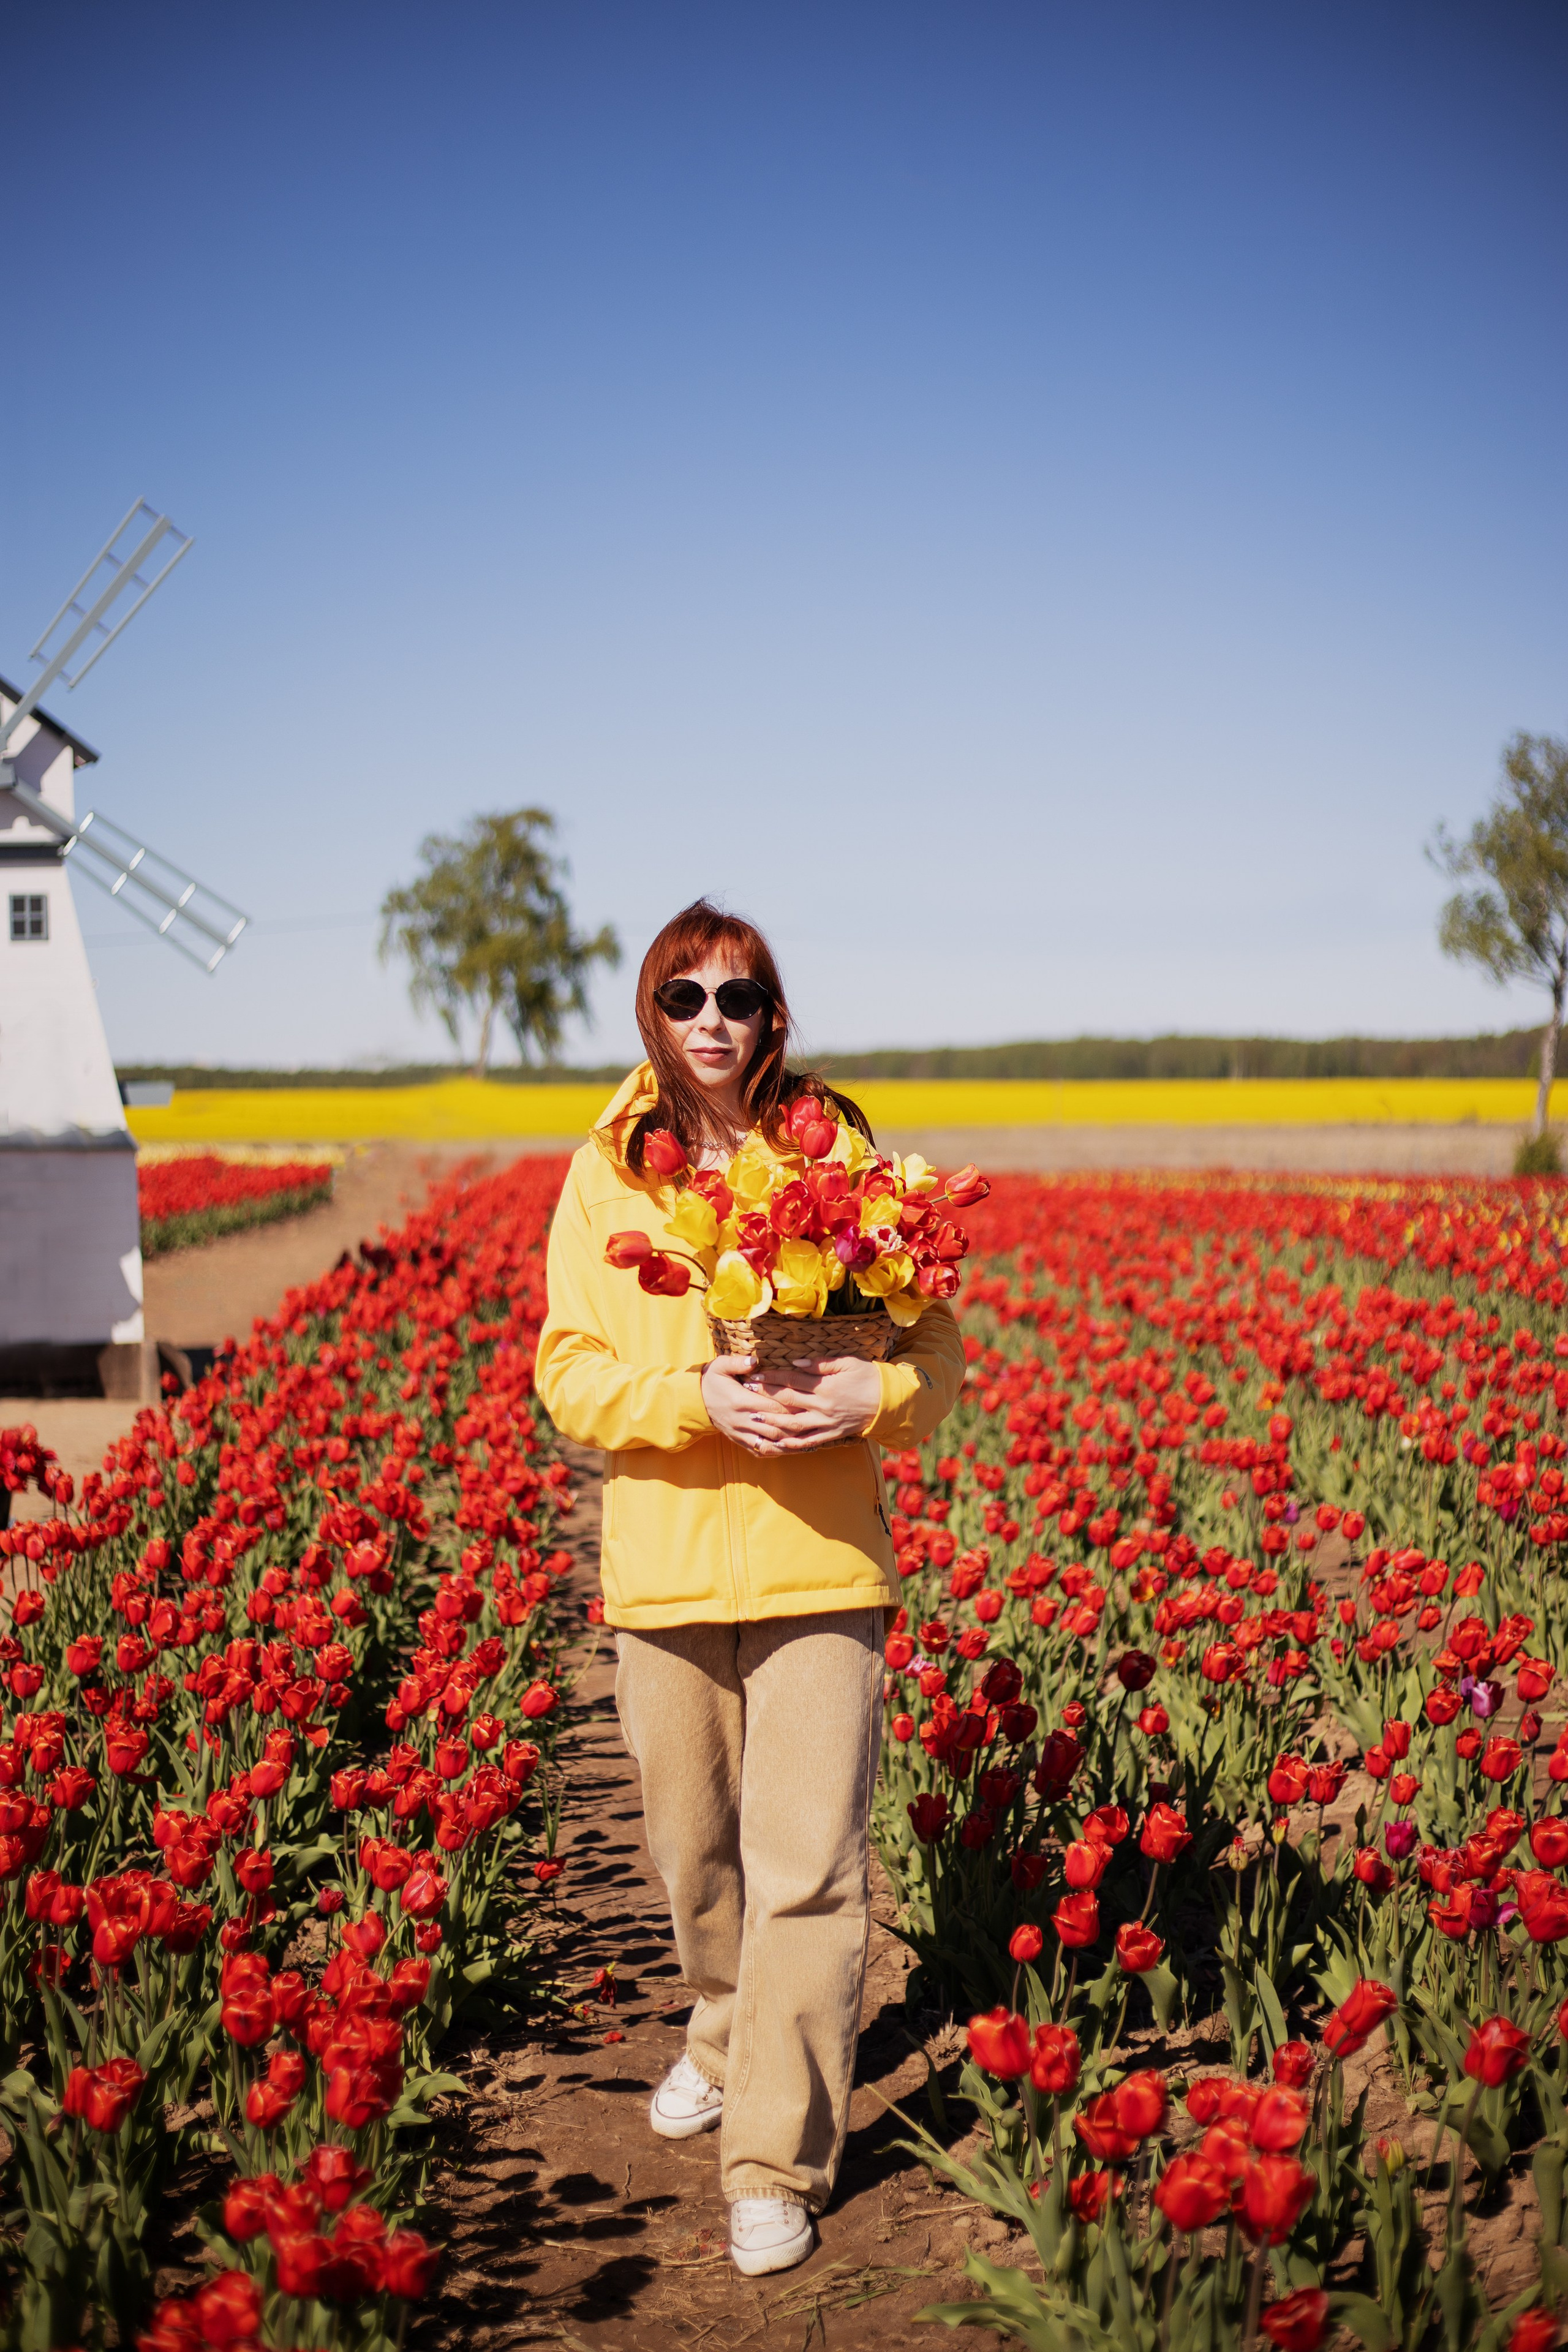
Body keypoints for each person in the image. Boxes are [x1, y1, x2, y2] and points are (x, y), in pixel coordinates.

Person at [535, 899, 965, 2278]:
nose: (710, 1020)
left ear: (771, 1016)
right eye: (684, 998)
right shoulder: (604, 1171)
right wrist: (693, 1395)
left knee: (809, 1872)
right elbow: (565, 1375)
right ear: (650, 1016)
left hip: (821, 1563)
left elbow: (933, 1348)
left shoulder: (836, 1153)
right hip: (661, 1573)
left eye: (737, 996)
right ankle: (721, 2028)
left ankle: (773, 2156)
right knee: (696, 1860)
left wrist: (874, 1388)